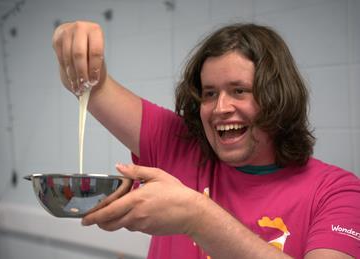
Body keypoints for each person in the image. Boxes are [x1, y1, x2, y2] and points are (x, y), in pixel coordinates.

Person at [52, 21, 360, 259]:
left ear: (277, 97)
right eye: (210, 93)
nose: (220, 108)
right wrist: (77, 51)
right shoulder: (180, 147)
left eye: (239, 90)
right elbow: (95, 86)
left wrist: (196, 217)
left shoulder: (336, 192)